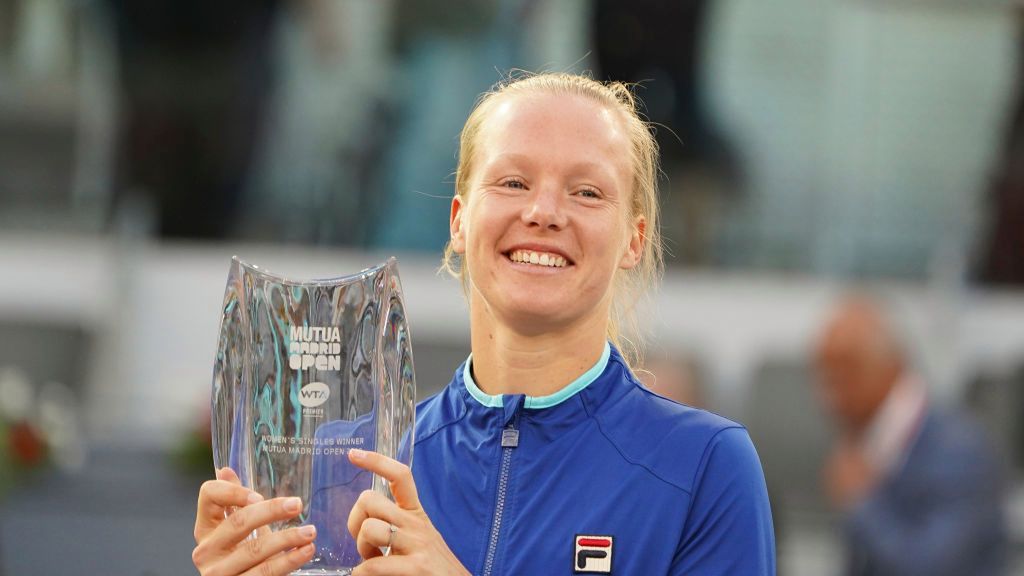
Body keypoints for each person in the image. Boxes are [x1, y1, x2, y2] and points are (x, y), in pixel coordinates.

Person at [192, 73, 775, 575]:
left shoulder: (703, 467)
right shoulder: (351, 461)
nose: (543, 212)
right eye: (513, 182)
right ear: (459, 220)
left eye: (587, 191)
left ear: (634, 239)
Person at [814, 296, 1007, 576]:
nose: (829, 398)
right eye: (824, 377)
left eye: (844, 373)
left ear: (891, 364)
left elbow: (933, 567)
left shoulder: (962, 451)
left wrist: (862, 502)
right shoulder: (864, 444)